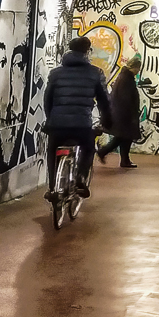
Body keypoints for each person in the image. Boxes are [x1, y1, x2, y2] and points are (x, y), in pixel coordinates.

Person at [43, 35, 113, 200]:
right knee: (89, 147)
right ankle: (81, 178)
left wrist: (50, 120)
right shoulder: (95, 73)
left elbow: (47, 99)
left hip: (57, 124)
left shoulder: (56, 73)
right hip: (82, 124)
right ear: (87, 51)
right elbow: (104, 101)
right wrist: (106, 122)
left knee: (52, 149)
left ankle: (52, 187)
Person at [102, 53, 142, 168]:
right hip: (125, 115)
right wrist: (132, 114)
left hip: (121, 113)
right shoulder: (126, 79)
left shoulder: (124, 77)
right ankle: (106, 153)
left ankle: (124, 160)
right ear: (134, 67)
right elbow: (126, 98)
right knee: (123, 137)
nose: (138, 71)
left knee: (123, 138)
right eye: (138, 68)